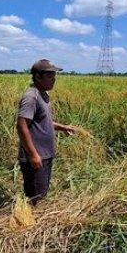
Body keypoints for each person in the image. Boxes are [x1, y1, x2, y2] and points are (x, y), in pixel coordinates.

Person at [16, 59, 76, 205]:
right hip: (36, 156)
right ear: (37, 77)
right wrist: (33, 155)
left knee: (41, 192)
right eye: (50, 76)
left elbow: (42, 122)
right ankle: (30, 223)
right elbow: (21, 125)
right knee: (36, 196)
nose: (53, 79)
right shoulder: (31, 97)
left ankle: (34, 219)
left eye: (54, 76)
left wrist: (62, 127)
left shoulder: (42, 94)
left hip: (44, 154)